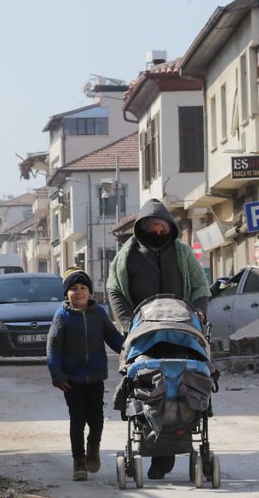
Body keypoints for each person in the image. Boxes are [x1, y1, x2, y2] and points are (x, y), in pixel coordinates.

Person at [105, 198, 211, 480]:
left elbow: (200, 286)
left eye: (162, 226)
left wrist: (198, 313)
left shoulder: (182, 253)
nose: (158, 231)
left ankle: (169, 451)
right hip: (145, 334)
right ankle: (156, 451)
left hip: (181, 331)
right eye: (152, 226)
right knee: (150, 387)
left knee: (179, 386)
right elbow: (114, 289)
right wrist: (129, 324)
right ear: (141, 228)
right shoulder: (128, 255)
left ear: (170, 227)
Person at [47, 269, 125, 481]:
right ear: (66, 293)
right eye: (73, 288)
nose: (78, 292)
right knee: (77, 420)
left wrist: (130, 352)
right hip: (71, 381)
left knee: (97, 420)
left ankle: (93, 448)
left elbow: (113, 337)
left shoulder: (98, 313)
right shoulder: (61, 317)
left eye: (83, 288)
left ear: (90, 292)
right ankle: (78, 462)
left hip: (96, 378)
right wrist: (57, 375)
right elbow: (53, 347)